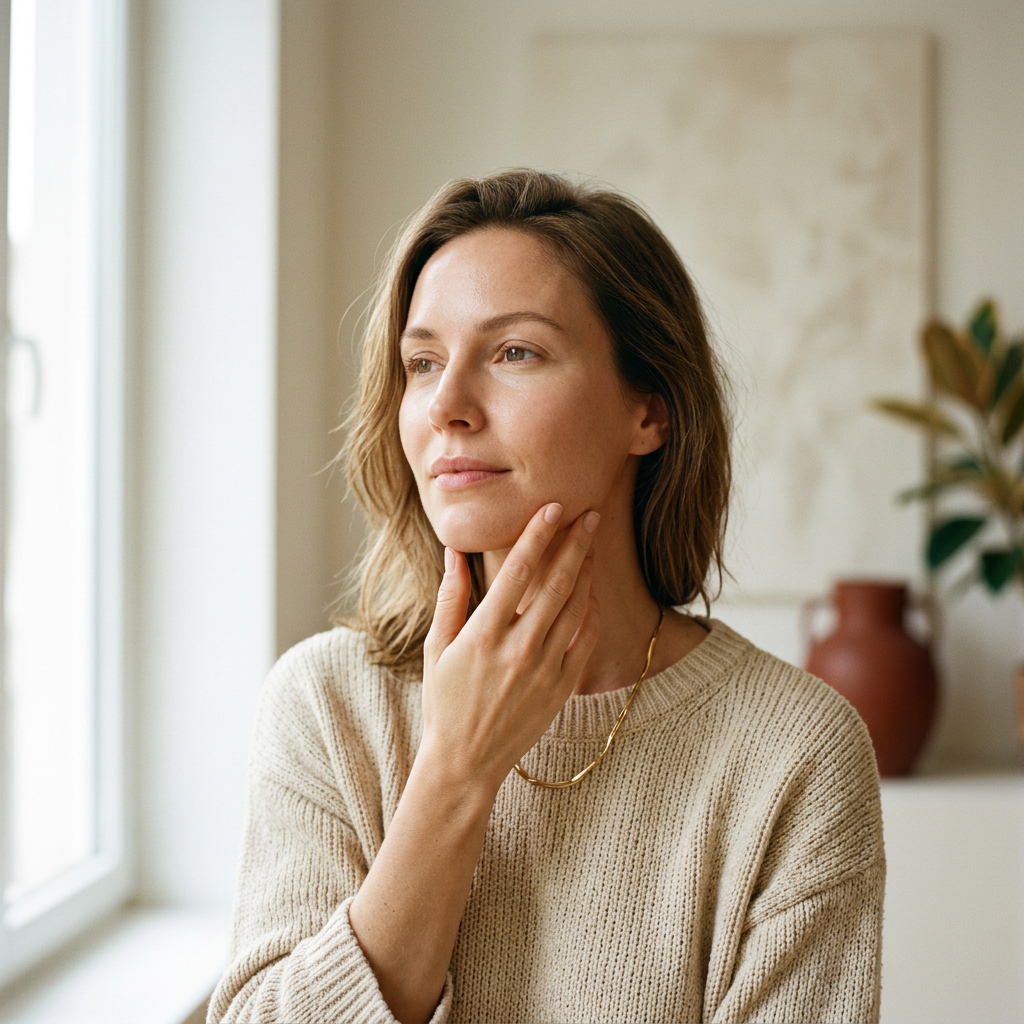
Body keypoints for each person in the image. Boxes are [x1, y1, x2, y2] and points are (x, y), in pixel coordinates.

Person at [208, 170, 884, 1024]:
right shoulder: (327, 705)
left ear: (650, 410)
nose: (446, 405)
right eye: (422, 362)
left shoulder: (797, 753)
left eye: (513, 352)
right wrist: (454, 771)